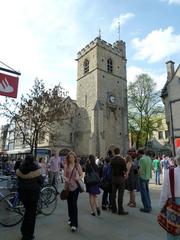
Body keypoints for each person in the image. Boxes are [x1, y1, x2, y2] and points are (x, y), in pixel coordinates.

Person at [16, 155, 41, 240]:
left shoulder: (21, 168)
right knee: (31, 215)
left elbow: (18, 179)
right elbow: (40, 181)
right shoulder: (35, 169)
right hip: (33, 195)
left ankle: (24, 231)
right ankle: (28, 235)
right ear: (33, 160)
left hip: (23, 195)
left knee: (27, 213)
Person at [159, 154, 180, 240]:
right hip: (174, 202)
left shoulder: (170, 172)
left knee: (172, 233)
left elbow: (165, 193)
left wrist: (161, 206)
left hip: (173, 205)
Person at [63, 151, 83, 232]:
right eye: (70, 157)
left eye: (72, 157)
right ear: (68, 158)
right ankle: (70, 217)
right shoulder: (66, 166)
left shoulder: (77, 165)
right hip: (68, 187)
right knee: (69, 203)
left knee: (74, 204)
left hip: (75, 187)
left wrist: (79, 178)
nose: (71, 159)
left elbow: (82, 174)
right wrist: (65, 179)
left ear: (75, 158)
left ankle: (74, 224)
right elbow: (64, 175)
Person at [110, 147, 128, 215]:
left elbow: (111, 169)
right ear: (119, 152)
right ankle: (120, 210)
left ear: (114, 152)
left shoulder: (112, 160)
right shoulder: (122, 160)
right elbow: (125, 169)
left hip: (114, 178)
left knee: (113, 194)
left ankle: (114, 209)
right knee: (120, 195)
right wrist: (126, 175)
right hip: (120, 178)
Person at [138, 148, 153, 213]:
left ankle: (146, 207)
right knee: (147, 192)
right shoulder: (149, 158)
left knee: (143, 193)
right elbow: (152, 167)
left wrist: (138, 173)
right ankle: (149, 206)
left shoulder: (142, 159)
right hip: (147, 177)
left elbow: (140, 169)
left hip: (142, 177)